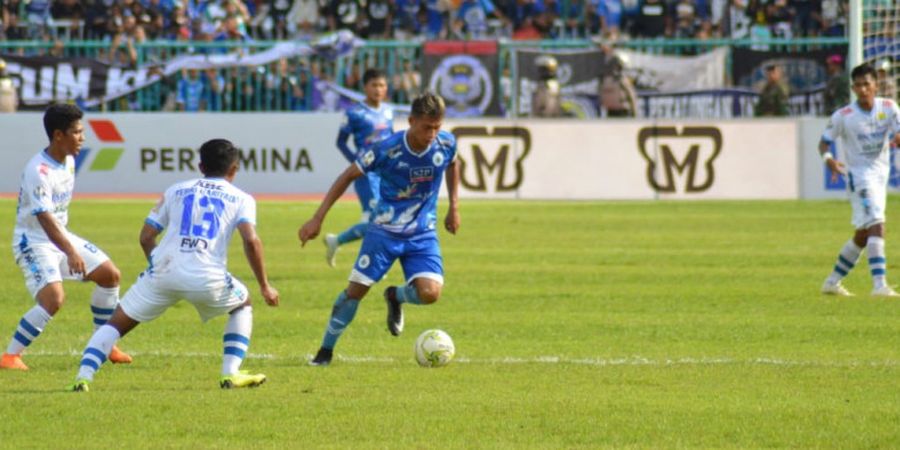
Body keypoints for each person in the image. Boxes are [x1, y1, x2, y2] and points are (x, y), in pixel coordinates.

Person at [66, 138, 280, 391]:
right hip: (207, 277)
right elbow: (251, 241)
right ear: (234, 169)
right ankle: (230, 373)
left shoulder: (176, 190)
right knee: (242, 303)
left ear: (200, 166)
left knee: (116, 323)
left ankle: (83, 377)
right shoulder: (242, 198)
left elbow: (146, 237)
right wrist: (265, 285)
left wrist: (158, 268)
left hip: (163, 270)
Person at [298, 92, 460, 366]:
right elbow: (347, 175)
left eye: (437, 127)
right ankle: (325, 351)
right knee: (355, 293)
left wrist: (453, 206)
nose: (432, 133)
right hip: (383, 233)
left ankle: (395, 295)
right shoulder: (387, 149)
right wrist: (317, 218)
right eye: (426, 127)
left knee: (430, 293)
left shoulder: (446, 143)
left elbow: (453, 164)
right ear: (411, 121)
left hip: (422, 233)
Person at [1, 104, 132, 371]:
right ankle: (10, 355)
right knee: (54, 300)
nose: (82, 138)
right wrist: (71, 252)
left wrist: (69, 247)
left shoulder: (69, 161)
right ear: (58, 135)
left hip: (60, 237)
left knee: (110, 275)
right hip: (34, 242)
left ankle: (105, 345)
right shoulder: (38, 171)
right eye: (77, 132)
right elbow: (45, 219)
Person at [819, 64, 900, 297]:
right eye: (858, 85)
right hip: (860, 178)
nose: (863, 89)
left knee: (863, 235)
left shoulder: (889, 108)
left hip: (880, 176)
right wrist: (829, 159)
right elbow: (823, 142)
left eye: (867, 84)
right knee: (878, 224)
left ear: (876, 85)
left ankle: (832, 282)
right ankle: (879, 285)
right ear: (853, 88)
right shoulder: (844, 116)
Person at [322, 68, 394, 267]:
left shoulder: (389, 111)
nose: (378, 90)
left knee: (382, 219)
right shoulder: (354, 112)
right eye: (374, 85)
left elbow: (392, 138)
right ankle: (373, 263)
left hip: (386, 173)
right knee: (377, 220)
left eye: (382, 85)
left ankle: (336, 241)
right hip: (367, 174)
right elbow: (341, 142)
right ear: (365, 87)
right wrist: (356, 163)